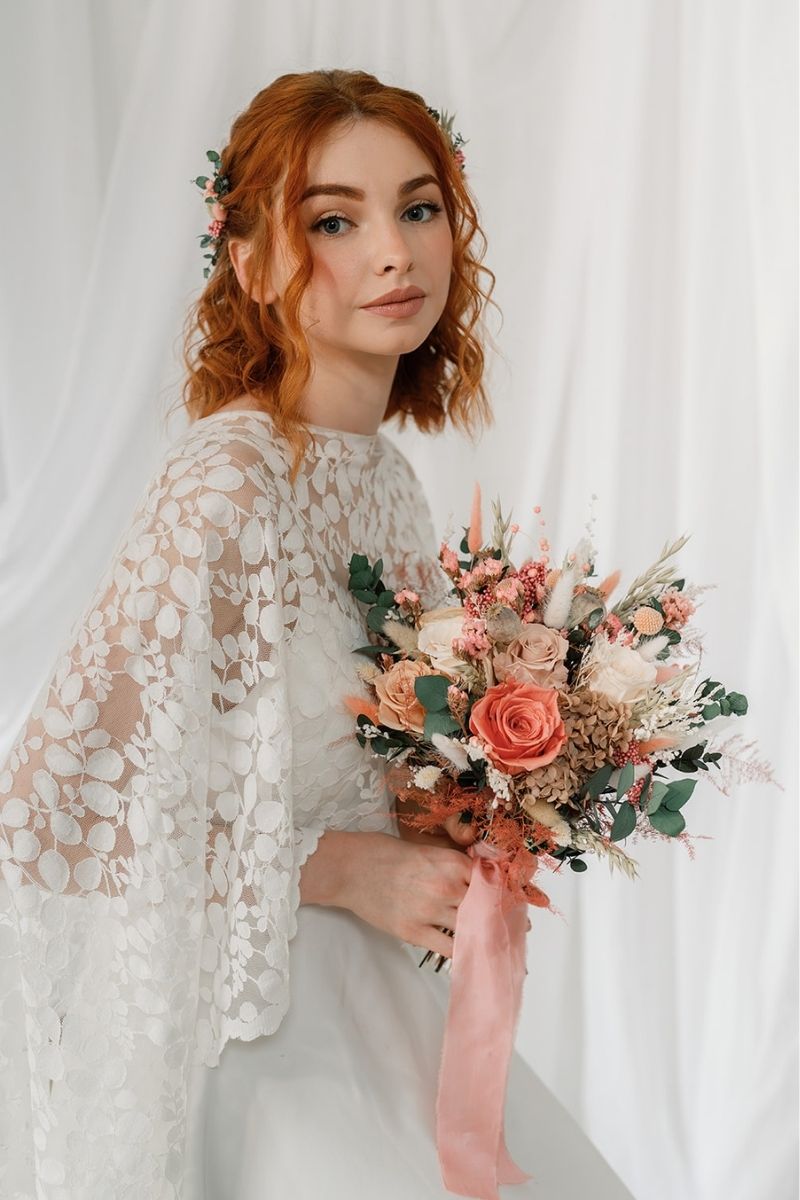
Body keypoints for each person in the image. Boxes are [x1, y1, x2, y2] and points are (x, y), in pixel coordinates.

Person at [0, 69, 634, 1199]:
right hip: (269, 1045)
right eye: (333, 221)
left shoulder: (384, 481)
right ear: (249, 262)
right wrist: (332, 869)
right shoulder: (227, 479)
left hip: (386, 1007)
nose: (393, 252)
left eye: (419, 206)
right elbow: (51, 810)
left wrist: (473, 812)